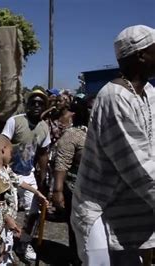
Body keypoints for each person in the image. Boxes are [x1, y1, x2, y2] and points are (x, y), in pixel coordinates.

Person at [71, 25, 155, 266]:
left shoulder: (149, 92)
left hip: (134, 211)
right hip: (102, 210)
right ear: (141, 55)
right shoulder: (114, 97)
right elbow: (139, 168)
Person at [1, 89, 51, 261]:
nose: (36, 105)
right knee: (7, 212)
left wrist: (42, 178)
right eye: (33, 102)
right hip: (9, 172)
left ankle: (24, 242)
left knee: (33, 212)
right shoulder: (15, 121)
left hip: (27, 174)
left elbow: (43, 154)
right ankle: (4, 246)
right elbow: (2, 144)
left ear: (45, 106)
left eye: (40, 103)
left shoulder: (44, 127)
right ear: (27, 104)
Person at [51, 97, 90, 265]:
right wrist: (58, 191)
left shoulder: (99, 131)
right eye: (89, 108)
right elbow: (62, 163)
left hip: (97, 191)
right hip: (75, 190)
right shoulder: (72, 134)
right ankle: (77, 259)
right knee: (77, 229)